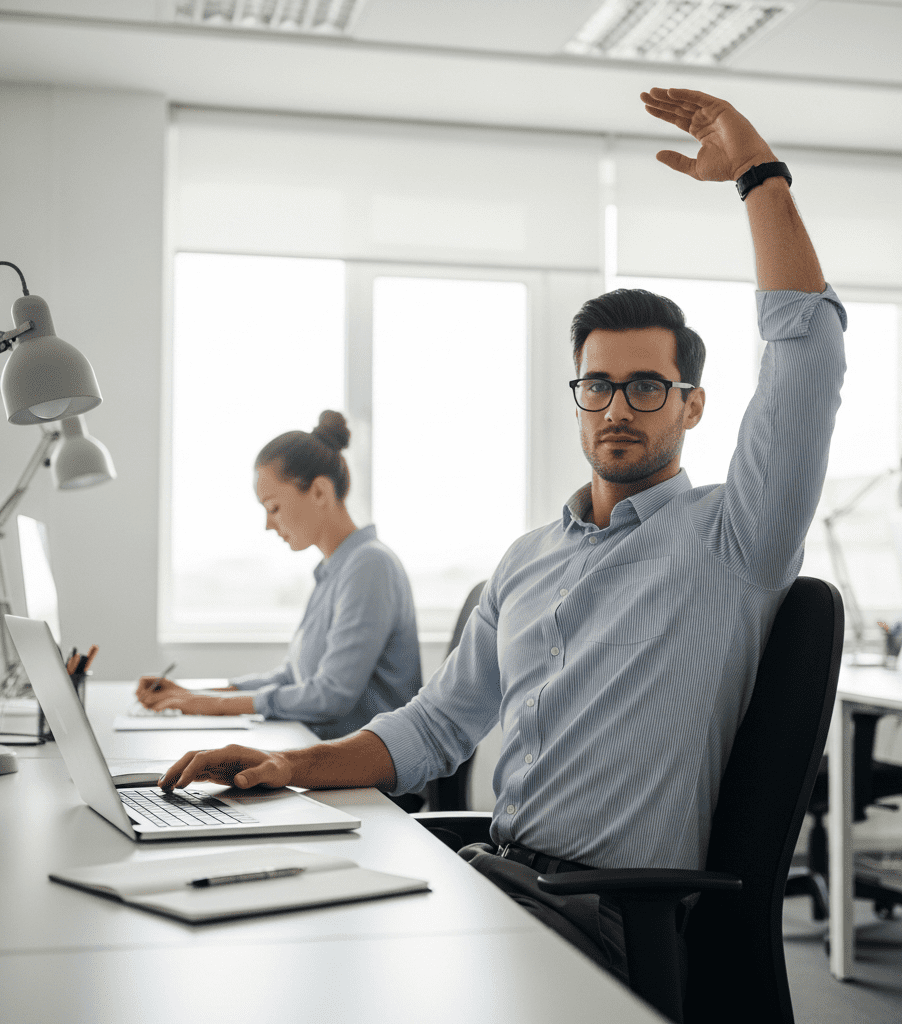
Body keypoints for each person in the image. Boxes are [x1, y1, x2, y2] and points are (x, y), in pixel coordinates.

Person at [157, 89, 846, 988]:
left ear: (692, 405)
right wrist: (289, 763)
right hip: (489, 878)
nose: (616, 409)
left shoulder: (734, 540)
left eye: (646, 387)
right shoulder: (527, 561)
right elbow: (440, 724)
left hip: (600, 919)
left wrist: (760, 178)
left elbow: (808, 354)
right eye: (597, 386)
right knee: (250, 944)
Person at [136, 410, 422, 741]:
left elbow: (330, 696)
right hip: (325, 757)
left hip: (370, 783)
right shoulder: (337, 570)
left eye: (273, 508)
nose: (269, 525)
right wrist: (201, 692)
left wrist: (206, 703)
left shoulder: (370, 566)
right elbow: (293, 676)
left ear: (319, 492)